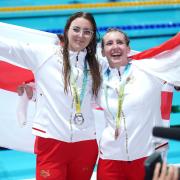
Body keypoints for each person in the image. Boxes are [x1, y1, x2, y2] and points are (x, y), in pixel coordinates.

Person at [0, 12, 102, 180]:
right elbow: (10, 48)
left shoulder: (97, 64)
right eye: (76, 29)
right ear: (67, 30)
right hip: (52, 141)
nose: (81, 35)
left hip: (86, 143)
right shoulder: (45, 55)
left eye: (87, 31)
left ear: (92, 36)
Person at [96, 28, 180, 180]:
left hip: (147, 157)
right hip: (110, 159)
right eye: (109, 43)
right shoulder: (97, 80)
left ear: (128, 49)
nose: (115, 46)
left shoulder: (150, 70)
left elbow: (175, 66)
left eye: (120, 42)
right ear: (102, 52)